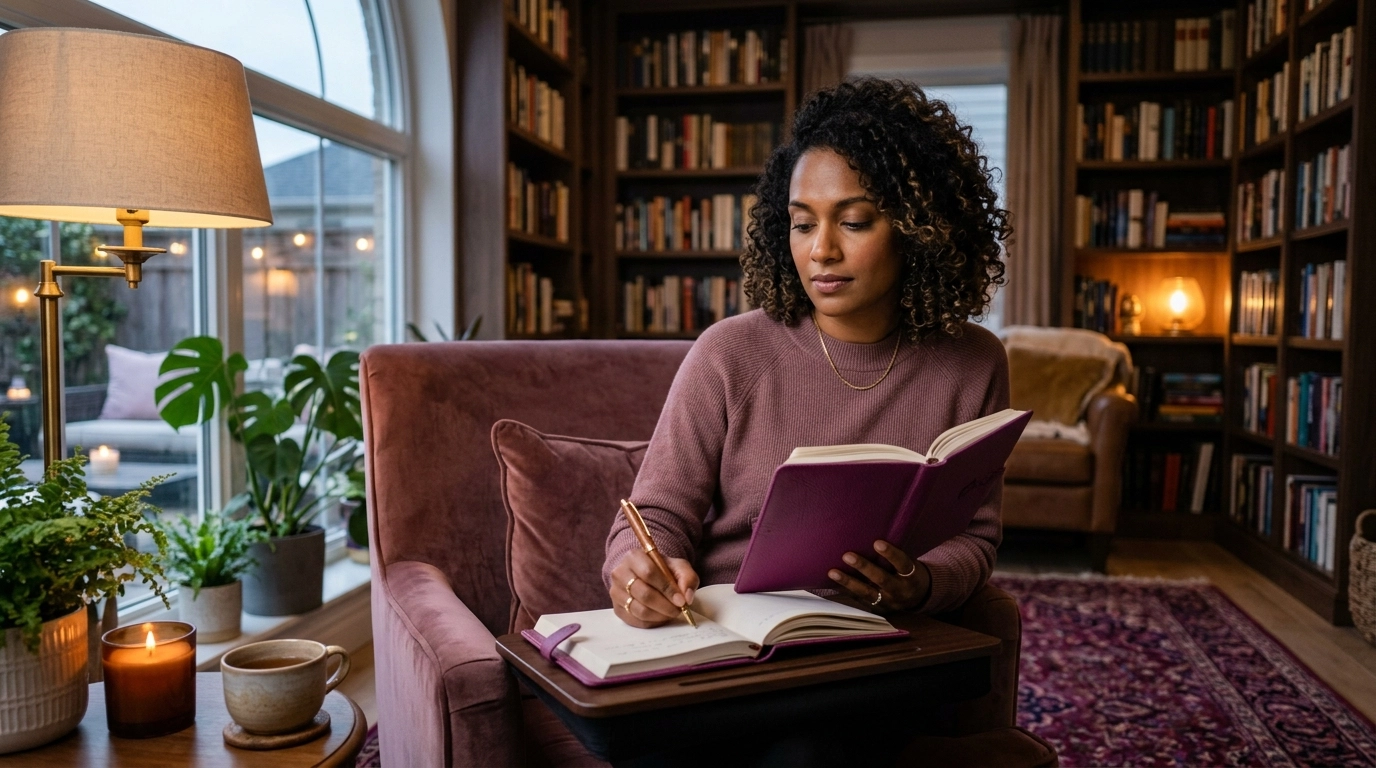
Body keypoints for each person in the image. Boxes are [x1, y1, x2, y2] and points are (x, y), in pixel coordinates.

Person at [602, 77, 1011, 763]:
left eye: (853, 221)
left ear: (920, 227)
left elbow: (976, 538)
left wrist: (922, 583)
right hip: (725, 643)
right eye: (801, 222)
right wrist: (637, 566)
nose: (821, 249)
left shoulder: (973, 361)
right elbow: (654, 514)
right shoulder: (730, 352)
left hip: (873, 649)